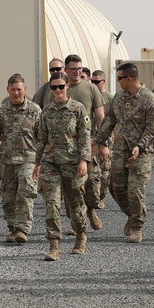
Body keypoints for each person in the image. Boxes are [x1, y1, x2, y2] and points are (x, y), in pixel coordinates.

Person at [33, 55, 105, 230]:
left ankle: (90, 211)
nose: (78, 71)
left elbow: (100, 117)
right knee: (58, 197)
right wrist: (37, 160)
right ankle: (73, 227)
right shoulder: (47, 92)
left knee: (90, 189)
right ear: (65, 70)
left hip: (84, 146)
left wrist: (102, 144)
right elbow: (39, 121)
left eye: (80, 68)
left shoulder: (90, 89)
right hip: (54, 155)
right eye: (74, 69)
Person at [93, 62, 154, 243]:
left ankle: (137, 227)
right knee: (115, 187)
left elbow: (152, 129)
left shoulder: (149, 99)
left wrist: (140, 145)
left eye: (120, 78)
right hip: (120, 150)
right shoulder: (119, 97)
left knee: (135, 190)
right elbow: (109, 121)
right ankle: (132, 215)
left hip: (140, 153)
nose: (118, 82)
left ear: (129, 78)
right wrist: (98, 141)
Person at [33, 72, 92, 260]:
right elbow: (42, 139)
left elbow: (84, 137)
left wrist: (84, 160)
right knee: (51, 203)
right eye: (53, 87)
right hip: (50, 163)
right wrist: (37, 163)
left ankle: (80, 236)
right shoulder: (47, 111)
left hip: (73, 163)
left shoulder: (78, 109)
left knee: (75, 203)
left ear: (67, 86)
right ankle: (53, 245)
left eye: (60, 86)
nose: (57, 90)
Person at [0, 73, 41, 244]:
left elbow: (43, 136)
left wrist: (42, 160)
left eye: (19, 90)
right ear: (8, 90)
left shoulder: (35, 111)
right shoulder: (1, 112)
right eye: (13, 90)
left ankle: (23, 229)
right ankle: (13, 228)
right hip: (6, 161)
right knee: (8, 197)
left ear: (25, 90)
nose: (16, 93)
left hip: (28, 159)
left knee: (25, 191)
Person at [89, 69, 113, 211]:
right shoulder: (90, 94)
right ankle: (94, 197)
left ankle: (101, 195)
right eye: (92, 81)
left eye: (97, 81)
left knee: (105, 169)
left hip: (105, 136)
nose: (94, 84)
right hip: (92, 136)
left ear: (103, 82)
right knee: (93, 169)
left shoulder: (109, 97)